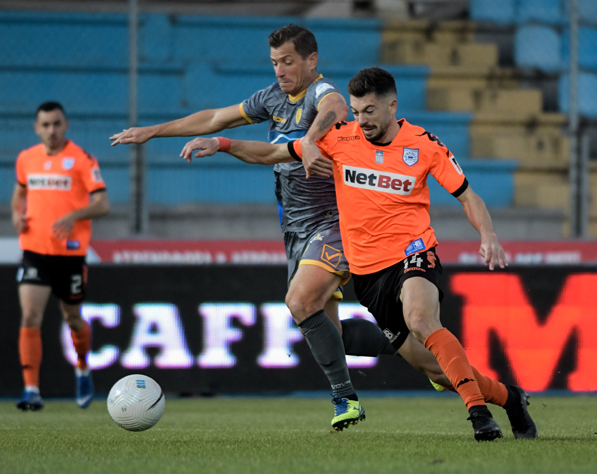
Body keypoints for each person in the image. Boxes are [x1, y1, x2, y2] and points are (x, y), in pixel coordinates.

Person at [179, 67, 538, 442]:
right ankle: (510, 399)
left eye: (369, 111)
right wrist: (223, 143)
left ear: (392, 106)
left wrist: (488, 235)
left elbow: (467, 196)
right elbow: (272, 152)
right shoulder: (340, 138)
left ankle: (479, 415)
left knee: (421, 318)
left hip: (413, 252)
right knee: (436, 370)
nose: (361, 119)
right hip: (368, 275)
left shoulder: (424, 144)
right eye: (355, 111)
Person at [110, 24, 402, 431]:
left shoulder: (319, 92)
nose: (280, 70)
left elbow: (336, 106)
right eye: (275, 62)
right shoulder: (272, 98)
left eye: (288, 62)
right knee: (328, 331)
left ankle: (345, 399)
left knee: (300, 302)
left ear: (311, 61)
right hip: (295, 230)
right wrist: (153, 131)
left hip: (334, 221)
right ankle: (414, 344)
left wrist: (311, 139)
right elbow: (216, 118)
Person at [12, 101, 110, 410]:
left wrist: (74, 216)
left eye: (56, 124)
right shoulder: (26, 158)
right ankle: (31, 390)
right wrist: (16, 214)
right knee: (30, 315)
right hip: (35, 250)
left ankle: (82, 366)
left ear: (66, 125)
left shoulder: (82, 159)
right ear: (37, 128)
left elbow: (103, 204)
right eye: (45, 125)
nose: (51, 130)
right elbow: (20, 193)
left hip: (70, 254)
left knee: (72, 318)